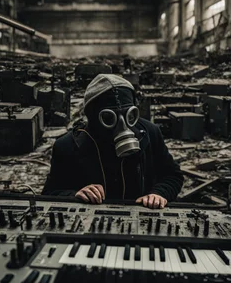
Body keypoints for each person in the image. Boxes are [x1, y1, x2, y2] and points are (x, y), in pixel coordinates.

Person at [42, 74, 184, 208]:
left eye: (129, 115)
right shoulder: (68, 146)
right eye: (109, 118)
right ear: (92, 117)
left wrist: (158, 194)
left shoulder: (150, 133)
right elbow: (50, 192)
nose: (122, 125)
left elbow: (172, 175)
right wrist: (75, 195)